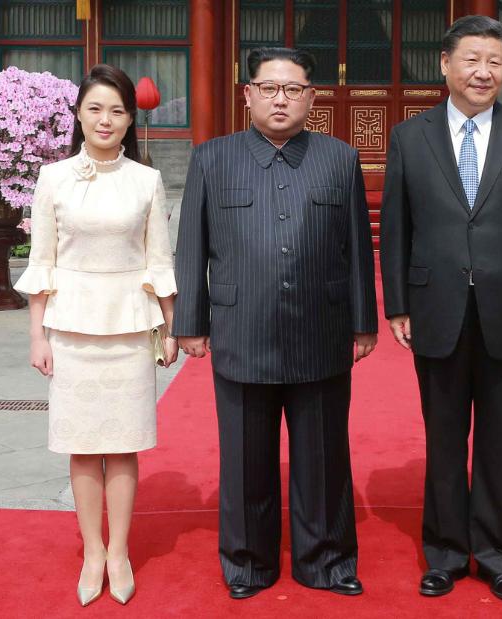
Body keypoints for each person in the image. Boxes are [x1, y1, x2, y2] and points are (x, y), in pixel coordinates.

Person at [172, 47, 378, 600]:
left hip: (322, 329)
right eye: (269, 88)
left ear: (312, 97)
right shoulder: (213, 159)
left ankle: (327, 562)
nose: (280, 98)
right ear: (248, 95)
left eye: (293, 89)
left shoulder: (339, 158)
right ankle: (247, 564)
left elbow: (357, 247)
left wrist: (365, 323)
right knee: (244, 461)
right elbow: (191, 247)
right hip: (243, 332)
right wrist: (189, 322)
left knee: (323, 457)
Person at [379, 15, 502, 603]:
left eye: (494, 61)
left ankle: (496, 555)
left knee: (501, 439)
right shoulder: (411, 137)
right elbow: (397, 226)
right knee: (443, 438)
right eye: (472, 59)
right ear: (445, 65)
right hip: (435, 308)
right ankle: (443, 554)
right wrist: (398, 304)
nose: (484, 72)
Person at [15, 64, 178, 607]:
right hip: (71, 327)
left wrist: (171, 328)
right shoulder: (53, 178)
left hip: (131, 325)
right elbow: (42, 263)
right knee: (83, 446)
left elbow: (160, 260)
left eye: (116, 110)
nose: (105, 120)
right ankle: (91, 550)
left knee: (124, 444)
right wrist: (37, 336)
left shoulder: (147, 180)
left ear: (131, 118)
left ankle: (120, 552)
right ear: (78, 115)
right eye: (95, 109)